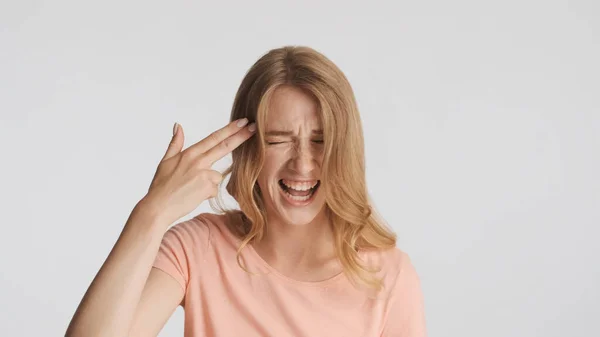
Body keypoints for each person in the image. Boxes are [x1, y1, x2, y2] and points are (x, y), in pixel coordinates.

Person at [66, 45, 427, 337]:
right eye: (278, 140)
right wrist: (152, 213)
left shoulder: (388, 275)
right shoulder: (197, 249)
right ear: (248, 148)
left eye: (321, 141)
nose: (302, 164)